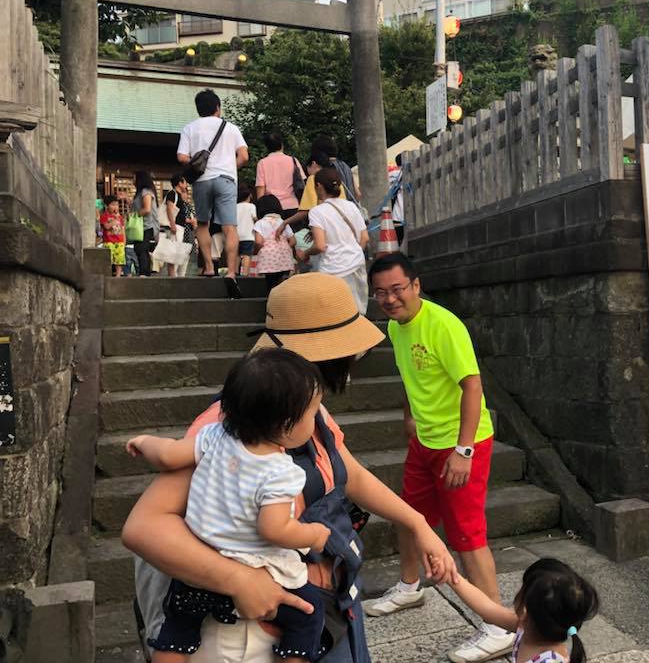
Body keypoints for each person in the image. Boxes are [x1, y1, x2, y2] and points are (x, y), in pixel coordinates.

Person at [123, 273, 459, 663]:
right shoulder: (229, 426)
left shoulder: (305, 409)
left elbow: (349, 473)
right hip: (254, 625)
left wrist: (417, 524)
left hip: (324, 600)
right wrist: (239, 580)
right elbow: (144, 526)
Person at [126, 349, 335, 663]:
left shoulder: (214, 436)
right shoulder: (281, 473)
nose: (316, 418)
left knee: (179, 624)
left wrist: (143, 441)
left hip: (199, 565)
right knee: (308, 614)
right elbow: (274, 529)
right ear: (287, 425)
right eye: (312, 412)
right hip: (255, 569)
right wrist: (313, 535)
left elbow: (168, 455)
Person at [364, 253, 511, 662]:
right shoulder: (395, 327)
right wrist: (410, 416)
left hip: (463, 444)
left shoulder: (445, 325)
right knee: (409, 517)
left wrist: (463, 450)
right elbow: (411, 377)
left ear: (415, 284)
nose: (390, 299)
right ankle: (410, 587)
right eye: (381, 293)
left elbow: (472, 386)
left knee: (466, 535)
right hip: (425, 441)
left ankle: (498, 625)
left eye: (397, 289)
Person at [451, 558, 598, 663]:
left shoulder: (548, 659)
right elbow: (486, 607)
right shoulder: (526, 626)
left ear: (524, 608)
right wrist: (452, 576)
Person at [177, 88, 249, 298]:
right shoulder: (231, 128)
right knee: (230, 227)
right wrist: (229, 166)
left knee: (203, 224)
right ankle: (232, 272)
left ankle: (209, 267)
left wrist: (198, 163)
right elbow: (244, 156)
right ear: (218, 107)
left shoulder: (190, 128)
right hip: (226, 179)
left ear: (199, 109)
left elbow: (182, 157)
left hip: (201, 181)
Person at [295, 167, 369, 316]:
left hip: (332, 269)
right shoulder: (351, 206)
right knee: (357, 313)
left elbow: (320, 246)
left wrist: (305, 253)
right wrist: (352, 251)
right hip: (356, 264)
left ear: (318, 186)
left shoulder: (317, 212)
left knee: (335, 315)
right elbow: (365, 238)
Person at [255, 132, 305, 219]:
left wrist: (260, 210)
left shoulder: (262, 163)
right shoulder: (293, 160)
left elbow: (260, 189)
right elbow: (302, 183)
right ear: (282, 145)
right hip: (292, 206)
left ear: (267, 147)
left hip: (272, 208)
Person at [253, 194, 296, 291]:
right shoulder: (283, 222)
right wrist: (283, 248)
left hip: (268, 258)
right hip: (284, 257)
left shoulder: (260, 223)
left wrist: (255, 251)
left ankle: (271, 300)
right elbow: (293, 241)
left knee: (270, 282)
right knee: (281, 282)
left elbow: (259, 242)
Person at [163, 174, 195, 278]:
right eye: (184, 182)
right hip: (176, 226)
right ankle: (172, 276)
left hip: (180, 227)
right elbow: (169, 209)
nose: (186, 185)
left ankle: (175, 276)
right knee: (173, 252)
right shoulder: (172, 193)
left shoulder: (178, 195)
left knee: (177, 252)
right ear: (180, 183)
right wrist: (172, 225)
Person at [132, 171, 160, 277]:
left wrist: (134, 215)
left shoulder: (146, 192)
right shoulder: (140, 193)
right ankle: (145, 272)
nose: (132, 180)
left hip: (147, 225)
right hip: (140, 226)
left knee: (142, 248)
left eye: (134, 177)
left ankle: (144, 272)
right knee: (139, 248)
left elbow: (147, 209)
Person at [100, 195, 126, 277]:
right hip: (109, 241)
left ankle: (118, 276)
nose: (115, 207)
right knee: (109, 259)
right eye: (113, 205)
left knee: (119, 260)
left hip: (119, 241)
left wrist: (124, 240)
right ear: (107, 206)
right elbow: (106, 226)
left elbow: (122, 229)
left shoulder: (120, 217)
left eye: (117, 205)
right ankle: (108, 275)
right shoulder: (104, 216)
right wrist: (115, 220)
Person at [237, 185, 258, 277]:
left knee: (236, 254)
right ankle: (245, 274)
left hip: (236, 235)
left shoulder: (235, 206)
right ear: (249, 195)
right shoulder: (251, 206)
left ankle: (235, 272)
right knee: (247, 255)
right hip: (248, 235)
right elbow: (254, 218)